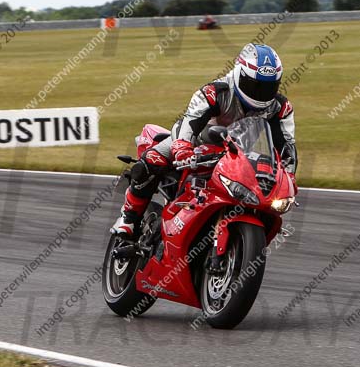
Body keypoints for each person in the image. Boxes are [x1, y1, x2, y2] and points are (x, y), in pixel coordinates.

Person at [111, 43, 297, 242]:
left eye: (269, 87)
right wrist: (182, 147)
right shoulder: (215, 92)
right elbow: (191, 120)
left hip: (237, 154)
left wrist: (288, 176)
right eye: (255, 86)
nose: (261, 93)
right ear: (239, 74)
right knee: (152, 160)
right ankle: (128, 218)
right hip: (196, 142)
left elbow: (287, 146)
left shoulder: (280, 107)